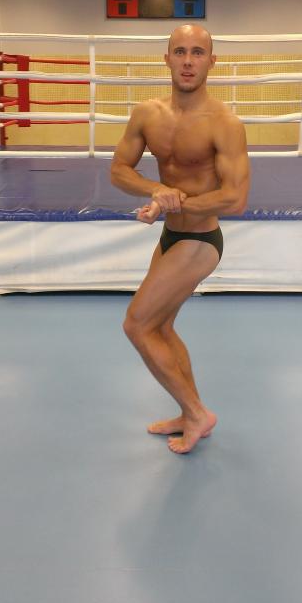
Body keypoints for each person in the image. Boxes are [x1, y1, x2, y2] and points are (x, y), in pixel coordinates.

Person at [110, 24, 250, 454]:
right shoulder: (147, 114)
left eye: (198, 53)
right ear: (166, 58)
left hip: (200, 242)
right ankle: (189, 412)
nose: (188, 61)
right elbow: (119, 170)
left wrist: (176, 203)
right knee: (162, 326)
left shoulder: (225, 123)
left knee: (136, 324)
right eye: (180, 52)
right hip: (172, 235)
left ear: (212, 61)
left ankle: (196, 413)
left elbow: (235, 198)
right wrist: (156, 190)